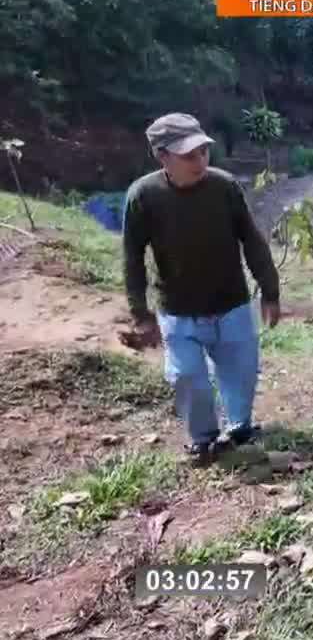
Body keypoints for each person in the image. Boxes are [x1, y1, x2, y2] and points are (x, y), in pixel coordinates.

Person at [122, 113, 281, 467]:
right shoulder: (144, 196)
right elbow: (132, 258)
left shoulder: (224, 187)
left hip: (231, 303)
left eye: (203, 152)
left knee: (240, 373)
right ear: (162, 156)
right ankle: (203, 439)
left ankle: (239, 428)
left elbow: (251, 239)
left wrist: (270, 290)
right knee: (187, 376)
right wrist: (140, 313)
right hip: (179, 309)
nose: (200, 161)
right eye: (188, 155)